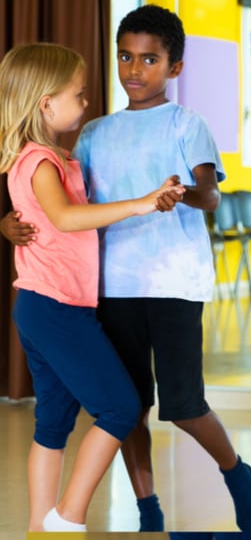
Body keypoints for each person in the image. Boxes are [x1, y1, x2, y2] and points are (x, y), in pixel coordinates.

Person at [2, 5, 251, 533]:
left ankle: (236, 470)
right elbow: (59, 206)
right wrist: (9, 222)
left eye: (149, 59)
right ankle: (148, 511)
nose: (134, 69)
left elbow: (210, 196)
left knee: (184, 406)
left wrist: (176, 194)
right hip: (109, 287)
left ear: (174, 67)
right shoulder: (92, 133)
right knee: (131, 407)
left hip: (174, 284)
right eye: (126, 57)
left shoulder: (187, 124)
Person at [0, 43, 184, 530]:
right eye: (78, 95)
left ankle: (41, 530)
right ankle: (69, 517)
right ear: (46, 104)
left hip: (45, 307)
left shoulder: (50, 158)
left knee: (53, 424)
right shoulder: (42, 162)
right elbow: (64, 218)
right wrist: (142, 203)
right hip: (55, 308)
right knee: (120, 408)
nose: (86, 102)